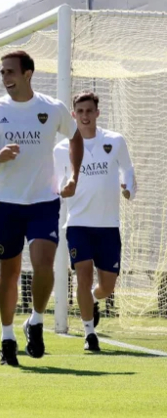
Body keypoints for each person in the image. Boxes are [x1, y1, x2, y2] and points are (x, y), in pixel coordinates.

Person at [0, 50, 83, 367]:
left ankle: (35, 321)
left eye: (10, 72)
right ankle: (7, 339)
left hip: (43, 201)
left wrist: (74, 175)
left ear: (28, 74)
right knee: (10, 272)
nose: (5, 78)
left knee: (44, 263)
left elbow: (75, 138)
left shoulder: (52, 108)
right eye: (3, 73)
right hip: (5, 203)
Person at [54, 92, 134, 353]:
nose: (85, 116)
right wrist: (61, 190)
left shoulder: (115, 141)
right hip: (78, 224)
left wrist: (128, 189)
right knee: (83, 278)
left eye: (90, 111)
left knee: (106, 287)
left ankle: (92, 303)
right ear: (73, 114)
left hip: (109, 226)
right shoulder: (61, 149)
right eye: (80, 111)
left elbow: (128, 172)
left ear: (97, 113)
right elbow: (56, 183)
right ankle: (89, 334)